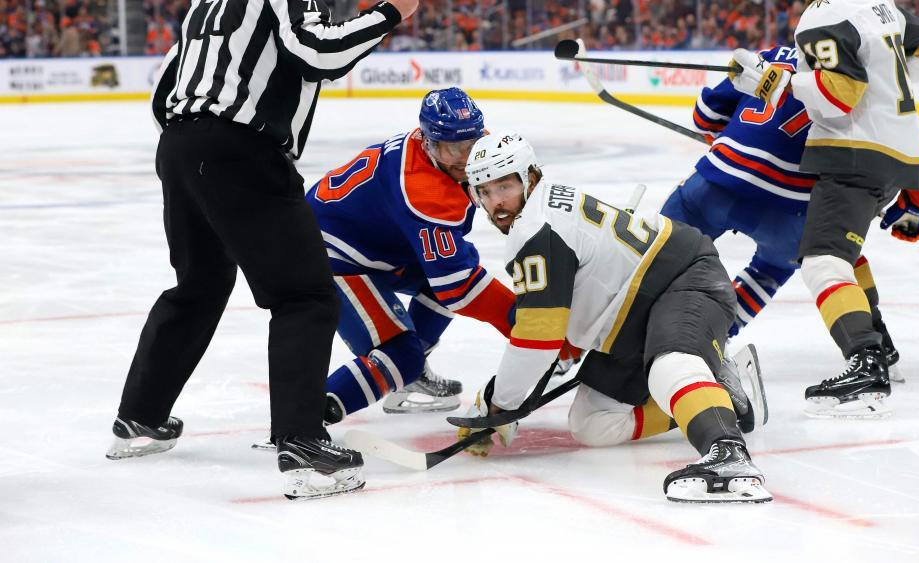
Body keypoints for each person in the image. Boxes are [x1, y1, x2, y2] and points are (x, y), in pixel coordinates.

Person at [105, 0, 419, 501]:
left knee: (198, 287)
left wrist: (195, 146)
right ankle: (302, 443)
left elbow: (167, 80)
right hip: (240, 150)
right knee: (306, 296)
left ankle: (140, 414)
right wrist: (388, 14)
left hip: (182, 146)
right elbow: (316, 54)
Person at [456, 131, 771, 503]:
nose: (497, 202)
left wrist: (498, 405)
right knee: (592, 425)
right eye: (485, 191)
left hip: (681, 277)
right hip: (629, 317)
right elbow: (556, 323)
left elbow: (537, 342)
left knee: (669, 366)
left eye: (504, 186)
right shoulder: (540, 213)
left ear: (531, 177)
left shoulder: (536, 232)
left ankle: (727, 453)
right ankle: (720, 397)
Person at [664, 44, 919, 396]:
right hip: (795, 210)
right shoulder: (874, 85)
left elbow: (705, 116)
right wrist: (917, 210)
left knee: (653, 253)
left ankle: (591, 335)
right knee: (781, 268)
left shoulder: (773, 55)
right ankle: (711, 340)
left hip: (717, 184)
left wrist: (728, 134)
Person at [726, 0, 919, 417]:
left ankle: (865, 361)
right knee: (845, 254)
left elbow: (842, 96)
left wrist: (781, 85)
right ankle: (879, 344)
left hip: (852, 153)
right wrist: (885, 77)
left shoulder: (822, 16)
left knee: (823, 262)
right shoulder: (882, 8)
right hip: (897, 153)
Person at [307, 87, 515, 422]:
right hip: (332, 254)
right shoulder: (422, 187)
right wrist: (522, 323)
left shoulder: (468, 149)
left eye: (470, 145)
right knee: (401, 354)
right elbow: (458, 285)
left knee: (454, 265)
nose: (464, 159)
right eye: (452, 150)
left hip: (378, 245)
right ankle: (302, 422)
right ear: (429, 143)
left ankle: (411, 375)